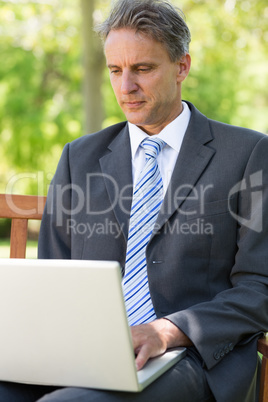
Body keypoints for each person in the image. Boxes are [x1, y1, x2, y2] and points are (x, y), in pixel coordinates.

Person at [1, 0, 267, 401]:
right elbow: (55, 276)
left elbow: (260, 287)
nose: (126, 87)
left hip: (191, 359)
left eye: (142, 69)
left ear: (182, 67)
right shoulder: (80, 157)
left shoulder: (247, 154)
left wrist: (167, 331)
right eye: (115, 70)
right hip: (84, 355)